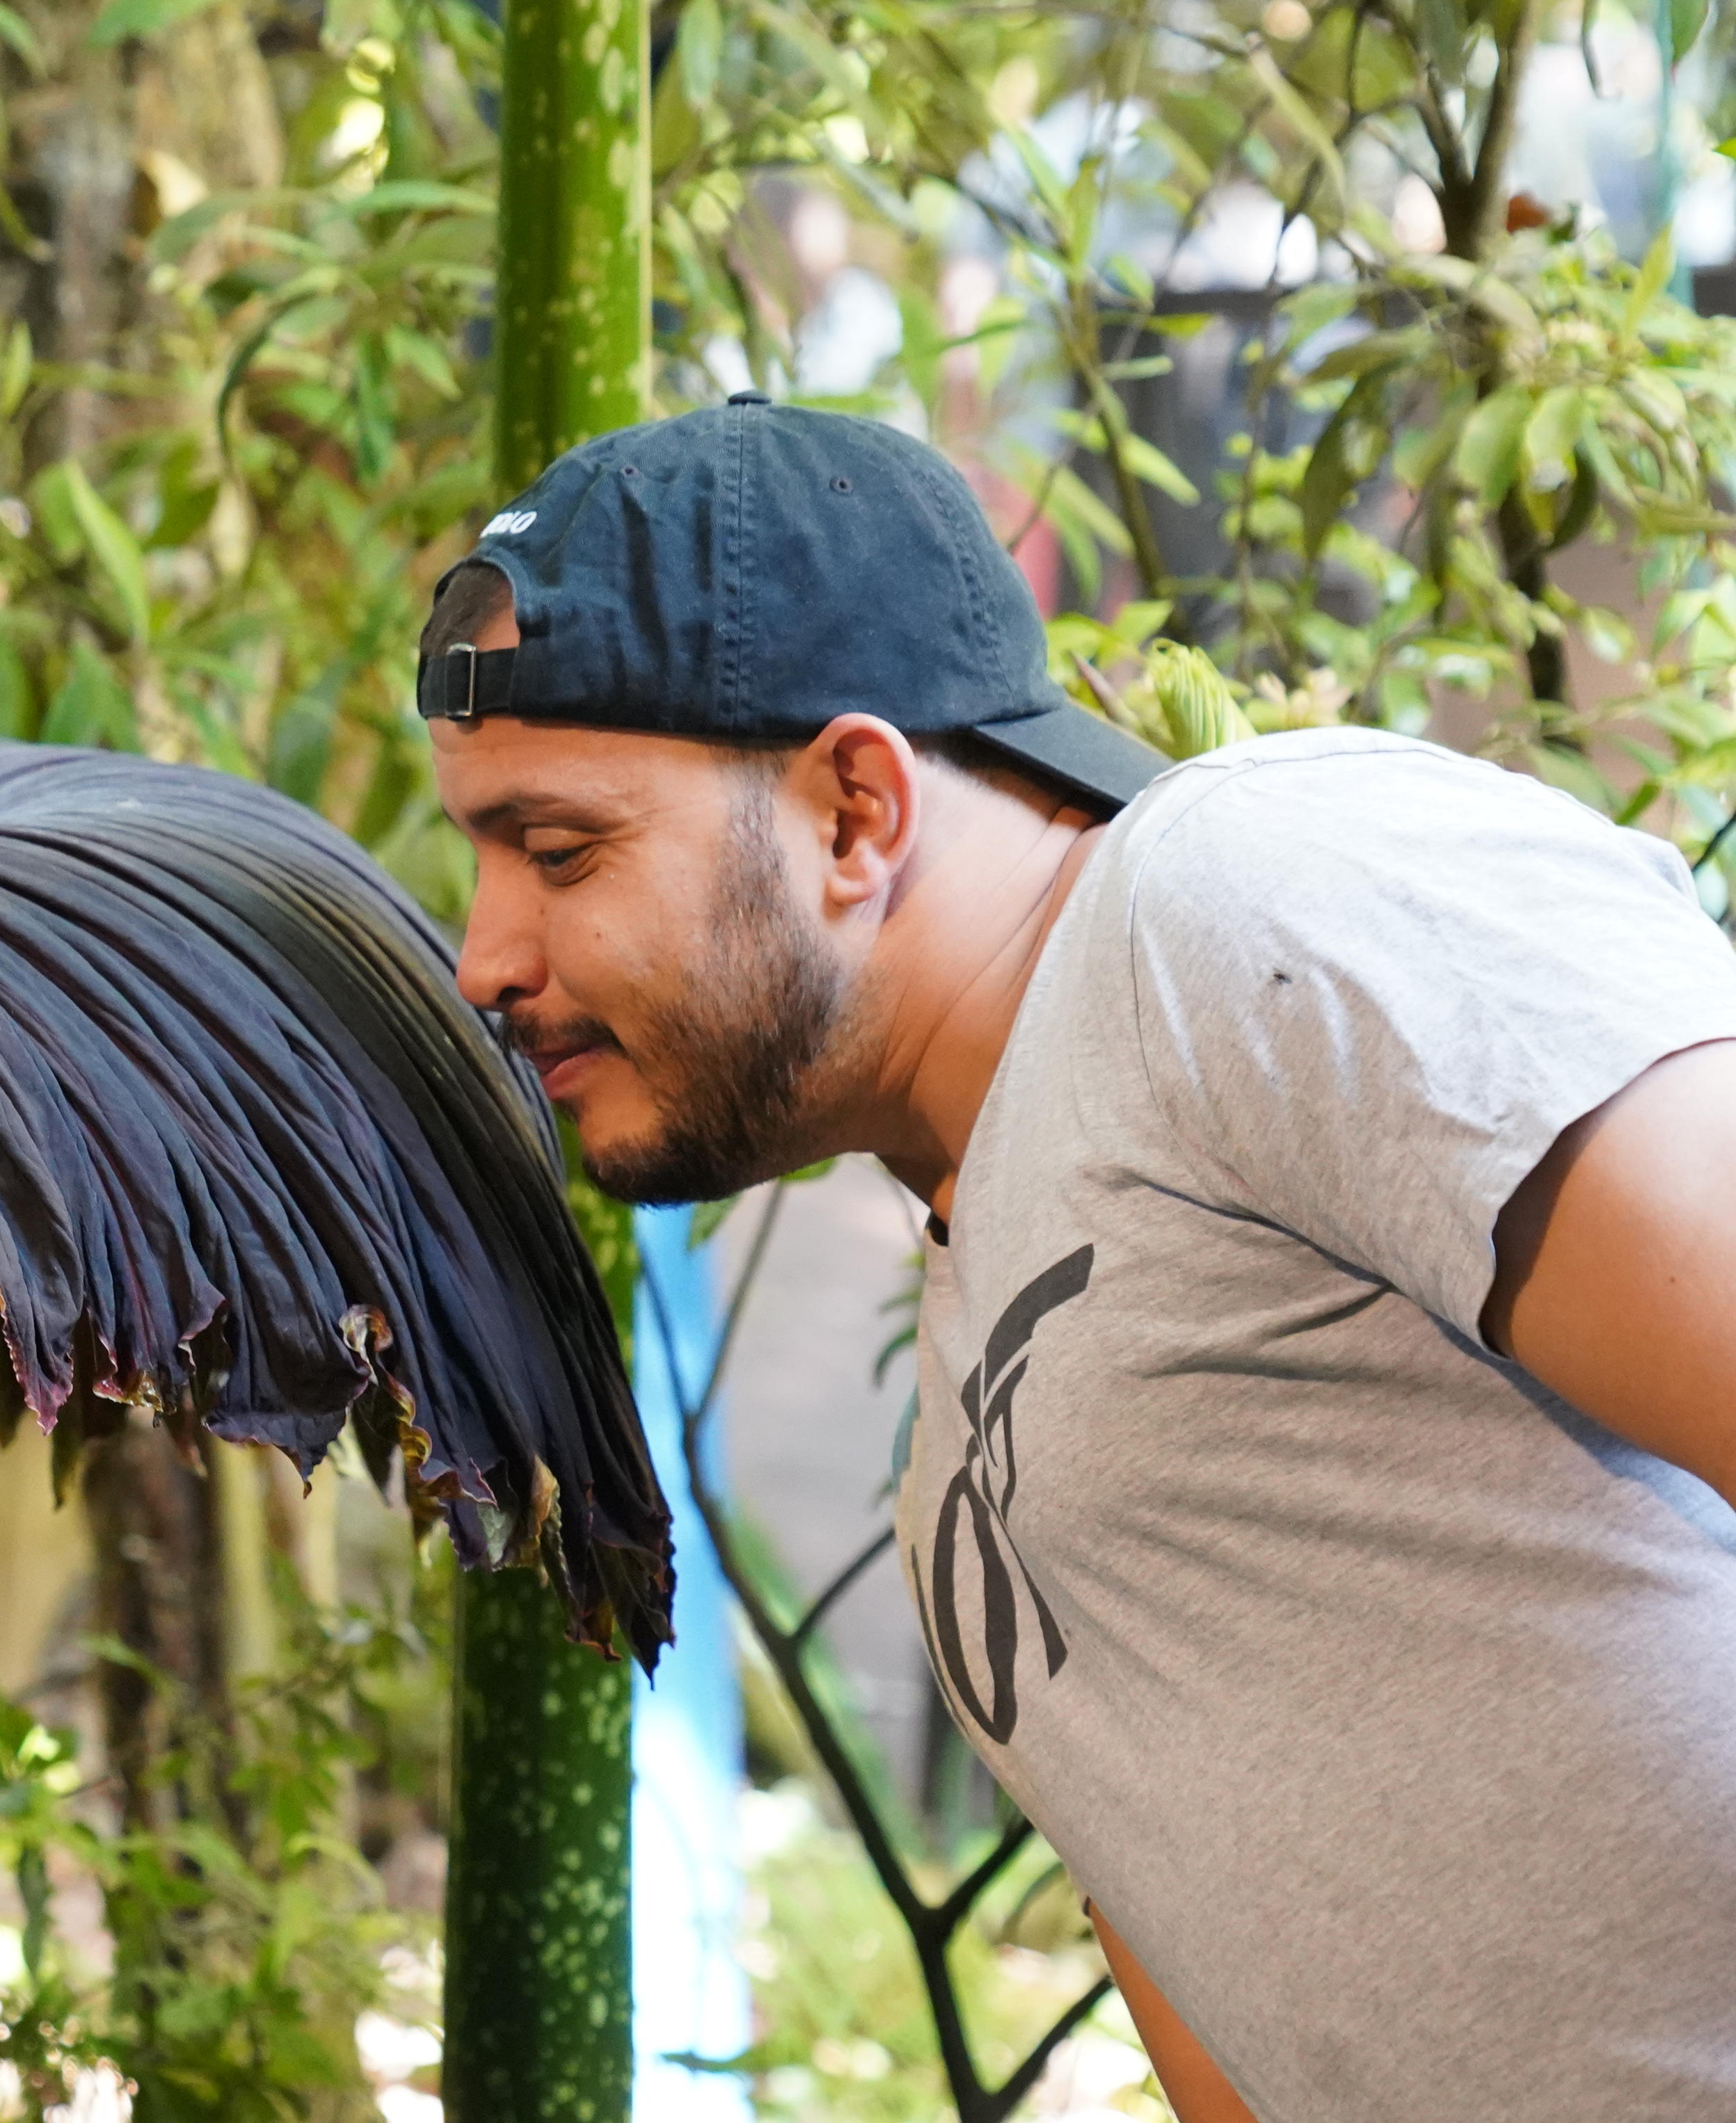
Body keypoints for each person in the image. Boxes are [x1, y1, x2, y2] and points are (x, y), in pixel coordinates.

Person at [421, 394, 1736, 2122]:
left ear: (853, 811)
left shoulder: (1235, 903)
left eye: (561, 848)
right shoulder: (965, 1416)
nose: (482, 960)